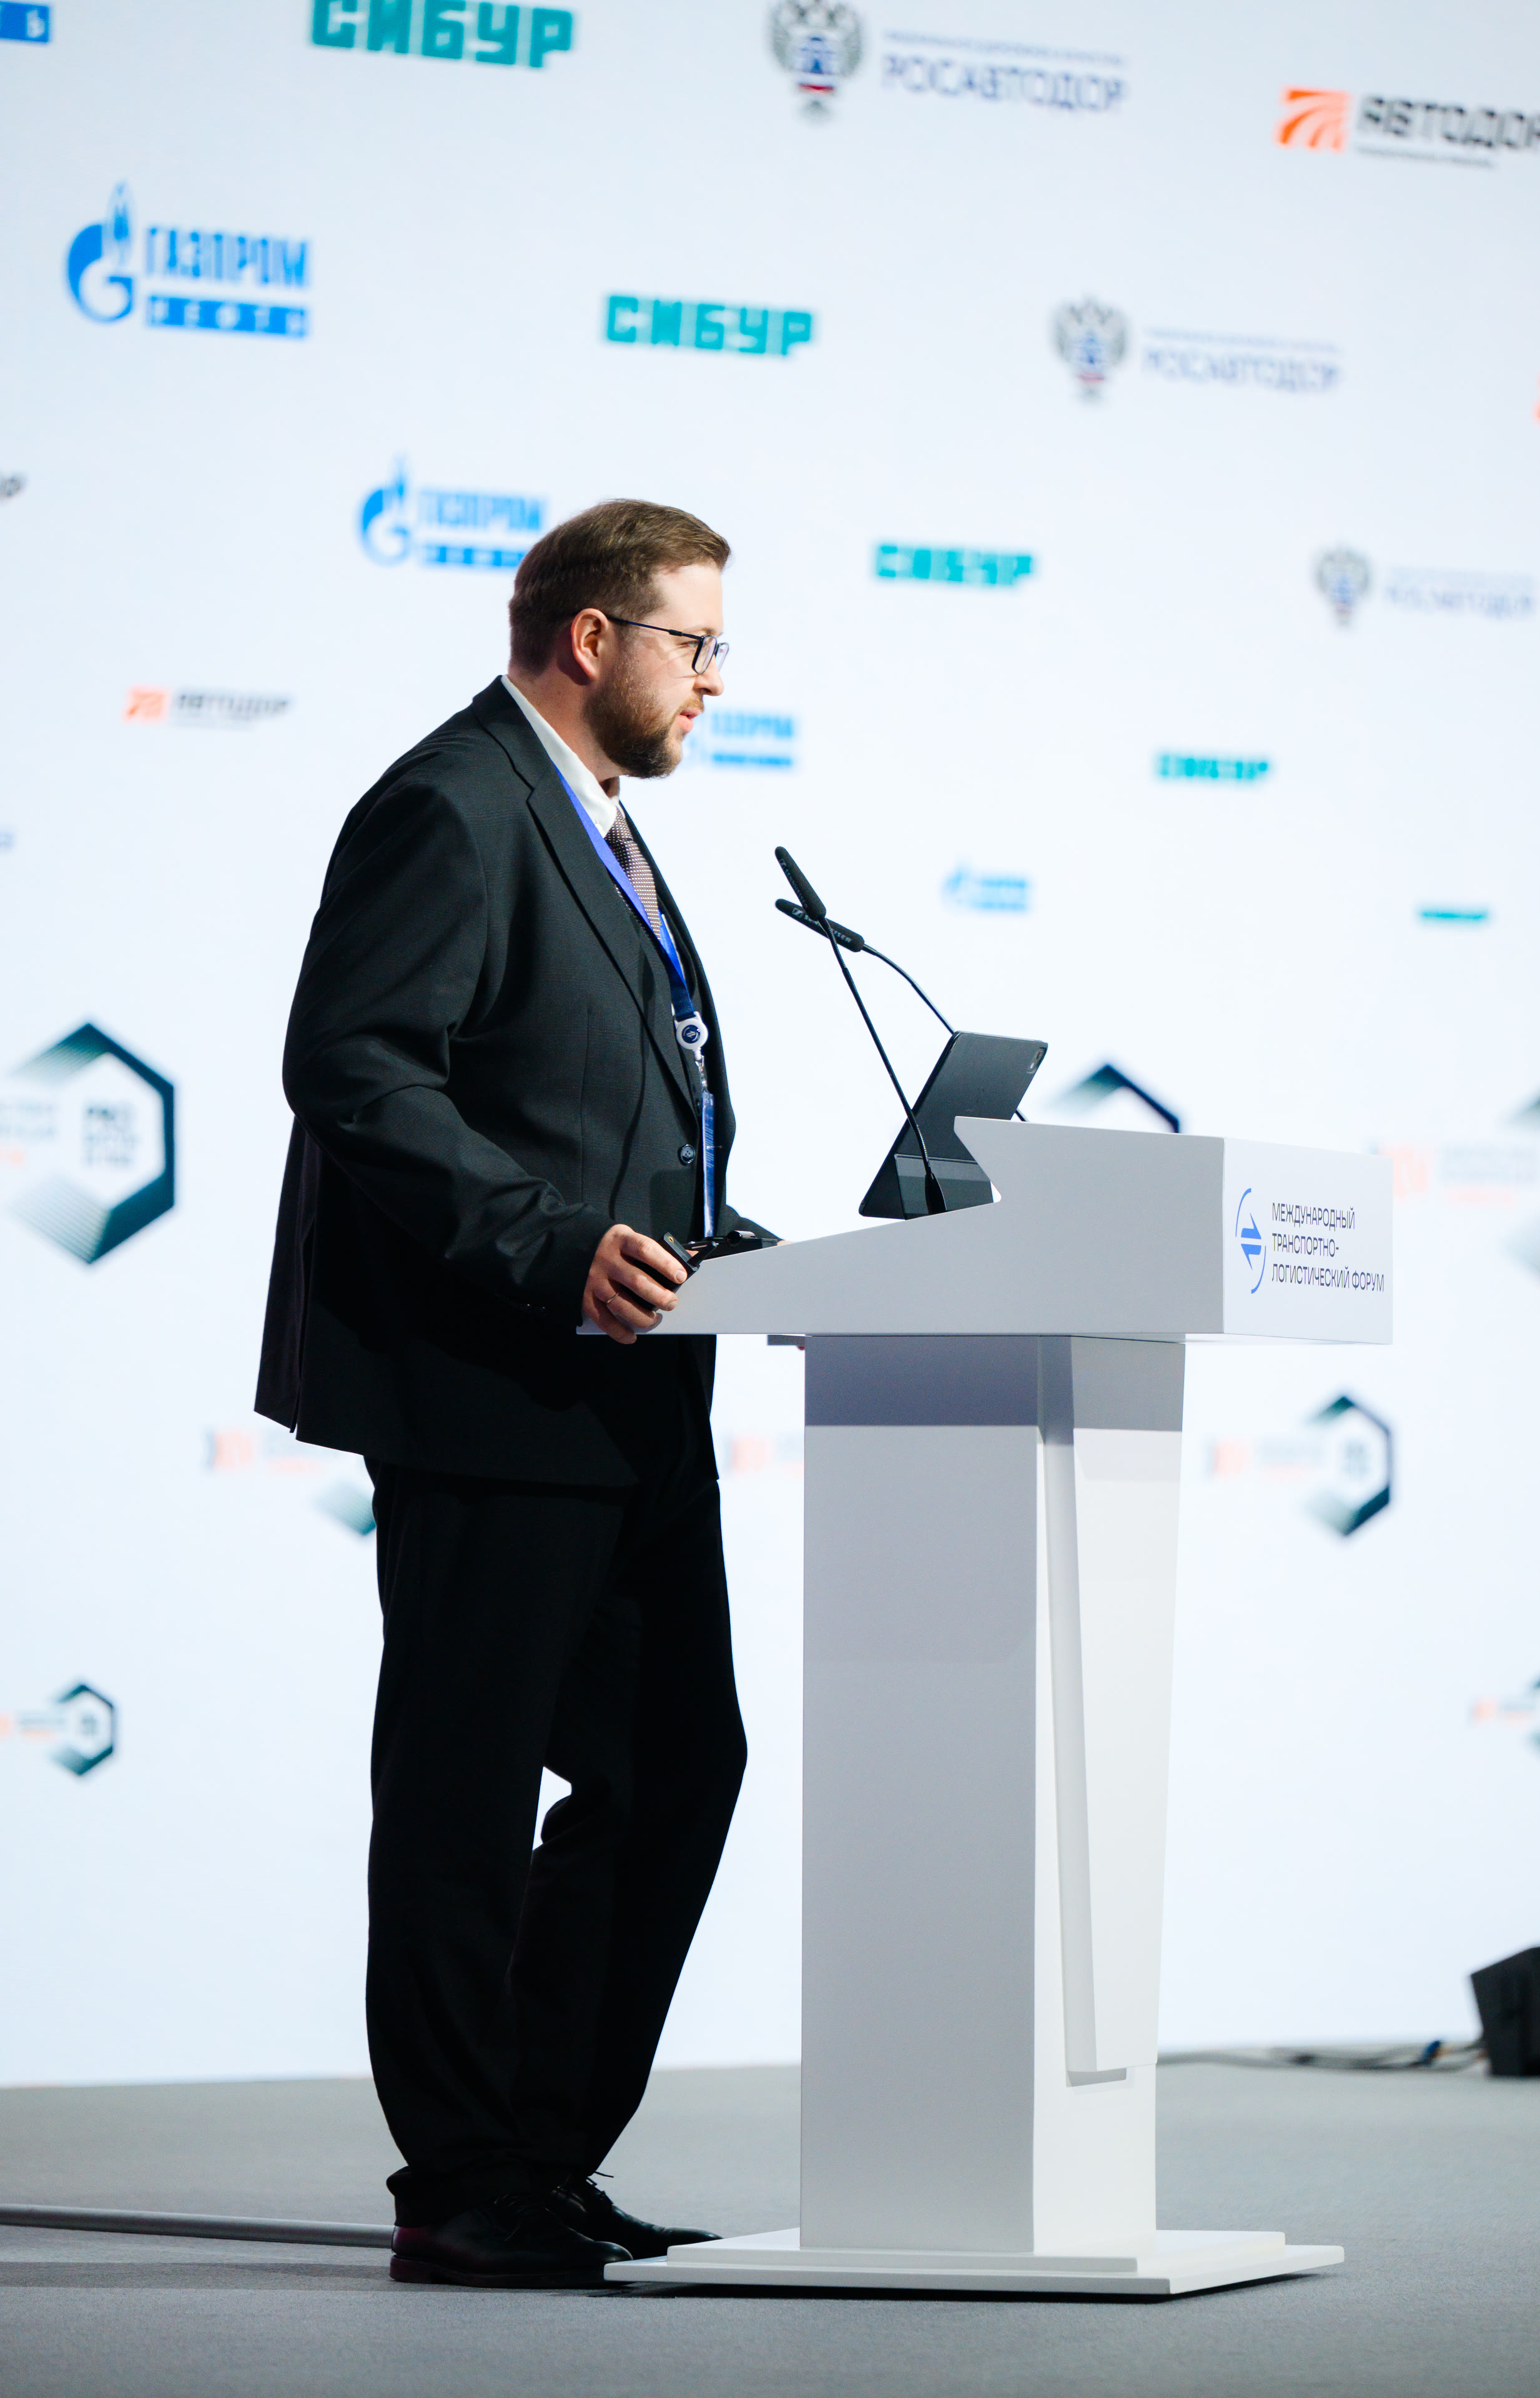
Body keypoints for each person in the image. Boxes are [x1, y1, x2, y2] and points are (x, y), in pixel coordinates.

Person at [256, 498, 771, 2289]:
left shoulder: (603, 825)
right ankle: (462, 2178)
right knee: (464, 1794)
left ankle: (546, 2156)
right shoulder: (454, 801)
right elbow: (356, 1066)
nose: (716, 679)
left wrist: (731, 1247)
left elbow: (591, 1099)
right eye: (696, 642)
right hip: (490, 1381)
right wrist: (551, 1246)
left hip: (635, 1385)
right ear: (591, 638)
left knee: (677, 1762)